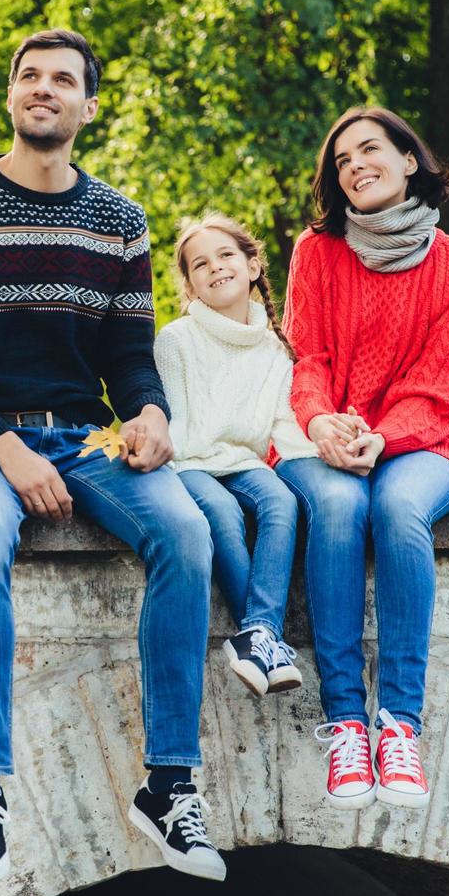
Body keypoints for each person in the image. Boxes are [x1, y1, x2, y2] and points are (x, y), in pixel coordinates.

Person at [0, 29, 226, 887]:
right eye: (28, 77)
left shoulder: (118, 220)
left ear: (87, 106)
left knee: (184, 534)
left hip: (86, 441)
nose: (41, 89)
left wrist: (151, 413)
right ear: (10, 97)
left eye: (61, 80)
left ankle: (168, 783)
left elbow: (127, 354)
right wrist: (8, 454)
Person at [276, 106, 449, 810]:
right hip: (323, 436)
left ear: (407, 159)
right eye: (341, 161)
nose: (355, 165)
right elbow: (309, 357)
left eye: (369, 150)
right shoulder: (316, 251)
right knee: (337, 504)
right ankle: (344, 724)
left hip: (423, 444)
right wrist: (320, 422)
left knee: (396, 505)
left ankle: (398, 727)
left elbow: (440, 385)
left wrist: (381, 439)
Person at [155, 214, 316, 698]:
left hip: (245, 463)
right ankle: (265, 637)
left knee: (280, 502)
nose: (215, 268)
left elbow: (283, 427)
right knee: (222, 512)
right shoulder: (176, 340)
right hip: (189, 464)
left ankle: (257, 633)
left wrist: (330, 448)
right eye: (199, 264)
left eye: (226, 256)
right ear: (190, 285)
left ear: (251, 265)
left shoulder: (275, 349)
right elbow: (175, 426)